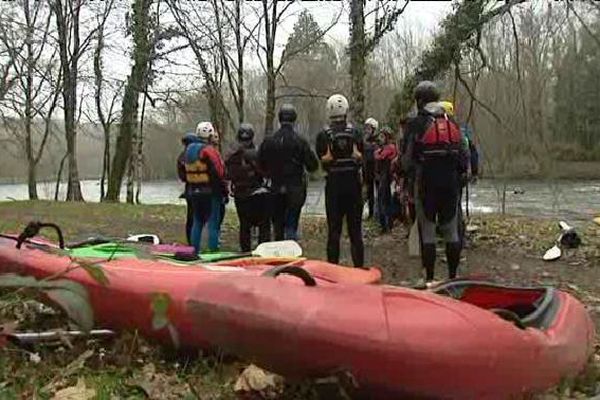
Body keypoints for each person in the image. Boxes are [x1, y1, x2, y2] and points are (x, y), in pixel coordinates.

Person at [403, 82, 469, 285]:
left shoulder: (415, 124)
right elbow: (463, 156)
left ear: (420, 101)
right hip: (450, 185)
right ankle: (452, 276)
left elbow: (406, 159)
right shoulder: (453, 123)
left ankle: (430, 278)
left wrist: (409, 176)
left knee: (428, 231)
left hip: (426, 185)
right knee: (451, 230)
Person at [315, 94, 365, 268]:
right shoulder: (356, 132)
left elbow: (321, 159)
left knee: (334, 231)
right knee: (355, 232)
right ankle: (359, 269)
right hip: (353, 185)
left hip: (334, 185)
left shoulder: (323, 135)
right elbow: (363, 156)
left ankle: (332, 269)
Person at [258, 104, 319, 241]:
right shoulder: (300, 141)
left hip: (275, 188)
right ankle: (291, 253)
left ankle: (279, 254)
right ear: (294, 119)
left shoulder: (269, 141)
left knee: (278, 226)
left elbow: (260, 163)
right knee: (292, 224)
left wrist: (269, 173)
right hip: (295, 188)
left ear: (279, 119)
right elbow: (312, 165)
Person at [225, 123, 271, 252]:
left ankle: (245, 251)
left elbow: (228, 175)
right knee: (264, 225)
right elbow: (266, 173)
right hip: (258, 193)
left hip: (240, 195)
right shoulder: (258, 154)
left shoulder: (231, 156)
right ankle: (263, 250)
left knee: (244, 226)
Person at [184, 121, 226, 253]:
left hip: (193, 192)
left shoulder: (188, 150)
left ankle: (194, 250)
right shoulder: (209, 150)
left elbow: (182, 171)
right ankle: (213, 251)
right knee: (213, 224)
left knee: (197, 221)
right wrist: (224, 189)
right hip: (210, 192)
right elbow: (220, 172)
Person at [374, 126, 398, 233]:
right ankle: (384, 224)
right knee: (382, 200)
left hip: (388, 178)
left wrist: (378, 152)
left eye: (383, 136)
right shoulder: (384, 147)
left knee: (385, 201)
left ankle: (387, 225)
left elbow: (379, 156)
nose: (380, 138)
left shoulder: (390, 147)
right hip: (383, 177)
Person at [177, 132, 198, 245]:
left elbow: (181, 176)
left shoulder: (181, 156)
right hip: (199, 187)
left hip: (189, 188)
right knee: (197, 218)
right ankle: (194, 242)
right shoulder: (197, 155)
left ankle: (191, 241)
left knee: (191, 217)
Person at [363, 118, 379, 219]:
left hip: (376, 170)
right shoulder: (364, 140)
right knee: (369, 192)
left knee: (378, 191)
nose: (367, 130)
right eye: (366, 128)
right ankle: (371, 212)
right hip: (367, 170)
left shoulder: (377, 141)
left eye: (369, 128)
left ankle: (378, 213)